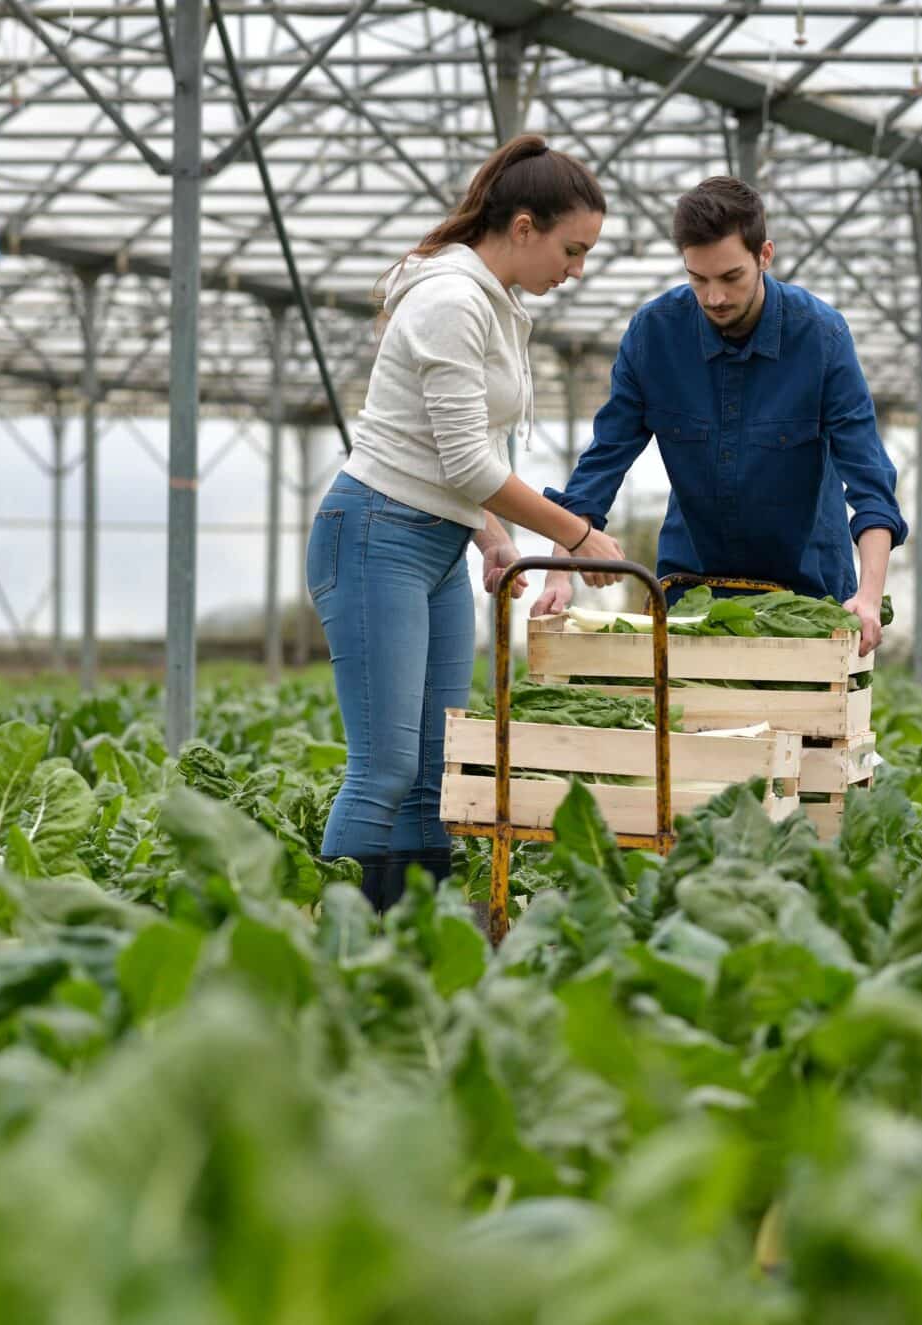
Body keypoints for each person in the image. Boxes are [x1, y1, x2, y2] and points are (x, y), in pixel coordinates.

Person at [308, 135, 625, 911]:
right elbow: (467, 466)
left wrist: (490, 534)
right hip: (376, 532)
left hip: (438, 543)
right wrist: (578, 537)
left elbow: (469, 452)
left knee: (434, 768)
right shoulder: (450, 300)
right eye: (571, 249)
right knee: (382, 766)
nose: (575, 269)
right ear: (523, 228)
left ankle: (416, 947)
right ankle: (334, 945)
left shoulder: (497, 304)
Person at [526, 176, 906, 656]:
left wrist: (868, 598)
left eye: (731, 278)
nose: (714, 298)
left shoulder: (821, 338)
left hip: (808, 596)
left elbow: (869, 481)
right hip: (694, 588)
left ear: (764, 255)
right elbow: (603, 461)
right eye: (697, 278)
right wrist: (560, 568)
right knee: (683, 726)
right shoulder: (655, 335)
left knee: (805, 728)